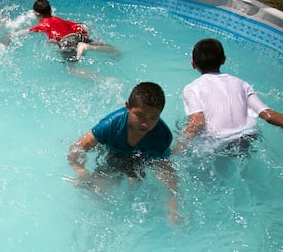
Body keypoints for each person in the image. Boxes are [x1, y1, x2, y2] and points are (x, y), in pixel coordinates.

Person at [67, 82, 181, 223]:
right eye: (140, 115)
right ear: (128, 106)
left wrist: (172, 208)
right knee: (94, 191)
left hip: (142, 158)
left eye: (153, 117)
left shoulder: (162, 136)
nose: (146, 123)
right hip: (114, 153)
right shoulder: (110, 125)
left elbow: (167, 173)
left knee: (134, 189)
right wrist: (79, 169)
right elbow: (76, 149)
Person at [177, 38, 283, 153]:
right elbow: (268, 115)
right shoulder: (242, 84)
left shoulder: (192, 88)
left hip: (220, 142)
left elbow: (197, 121)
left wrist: (179, 145)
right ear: (223, 60)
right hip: (248, 135)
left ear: (193, 64)